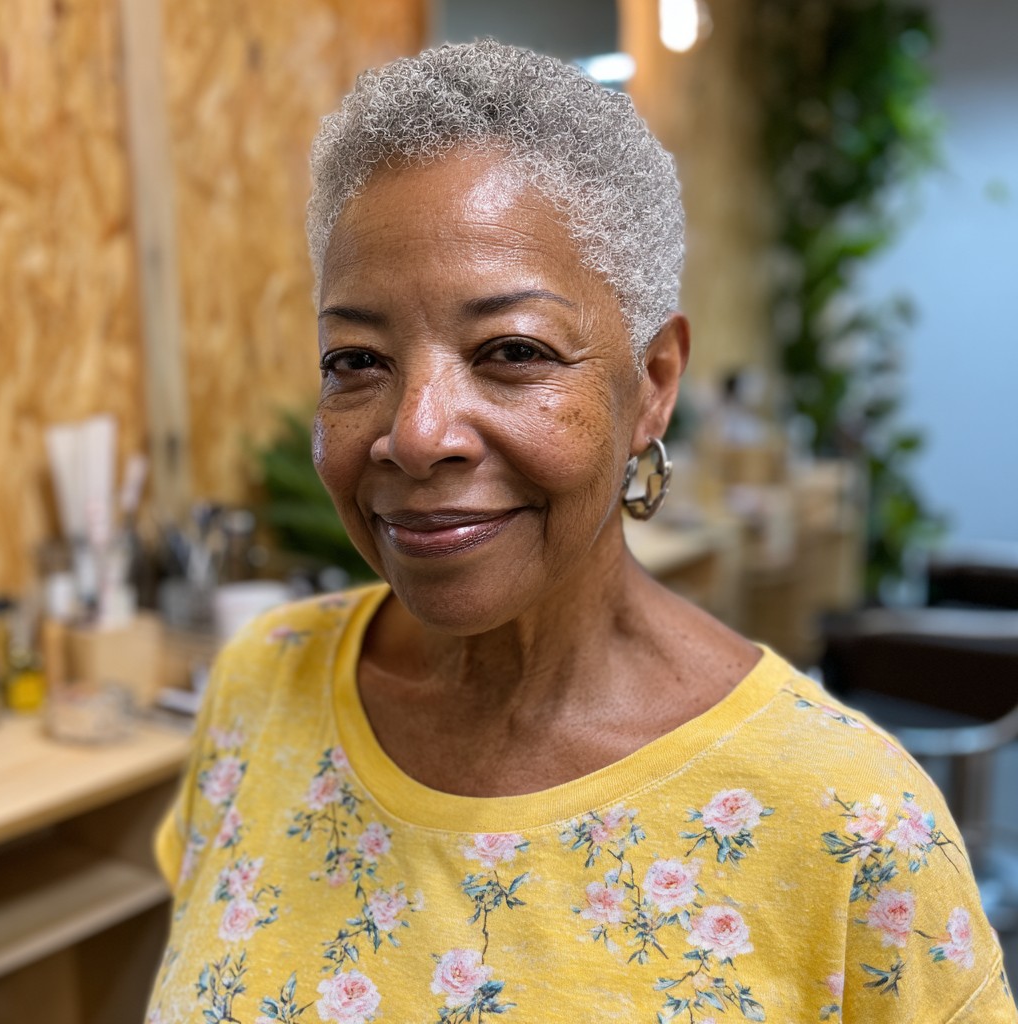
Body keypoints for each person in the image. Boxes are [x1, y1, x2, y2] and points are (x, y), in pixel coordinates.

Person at [146, 40, 1016, 1024]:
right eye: (355, 359)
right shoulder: (260, 689)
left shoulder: (849, 827)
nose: (415, 432)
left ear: (651, 384)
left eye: (511, 350)